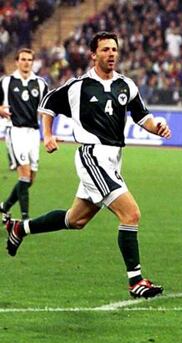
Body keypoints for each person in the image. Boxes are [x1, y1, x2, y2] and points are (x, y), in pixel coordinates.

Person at [4, 31, 172, 299]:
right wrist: (47, 135)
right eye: (105, 50)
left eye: (114, 49)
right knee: (131, 214)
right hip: (91, 156)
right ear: (93, 54)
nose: (111, 54)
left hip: (113, 159)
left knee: (76, 219)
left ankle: (19, 228)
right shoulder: (79, 86)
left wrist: (158, 127)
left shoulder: (125, 85)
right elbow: (48, 104)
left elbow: (143, 116)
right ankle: (136, 281)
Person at [0, 48, 48, 223]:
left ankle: (4, 206)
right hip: (15, 131)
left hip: (33, 133)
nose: (26, 62)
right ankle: (25, 218)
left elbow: (46, 110)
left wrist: (50, 133)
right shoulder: (6, 82)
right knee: (24, 175)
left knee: (31, 179)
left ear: (33, 62)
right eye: (23, 59)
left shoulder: (40, 83)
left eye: (29, 59)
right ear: (16, 61)